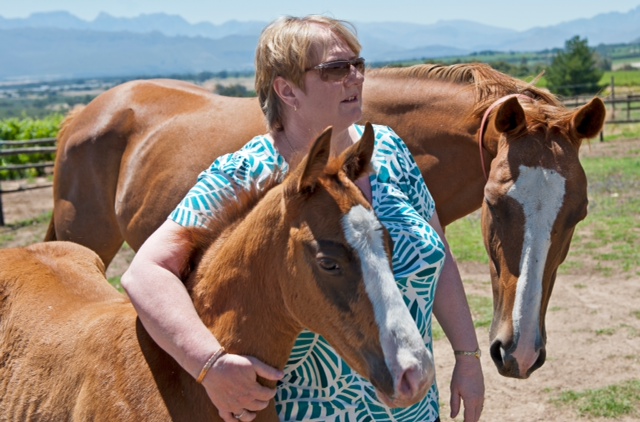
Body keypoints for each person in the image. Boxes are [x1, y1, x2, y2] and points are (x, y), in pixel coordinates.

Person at [122, 14, 484, 422]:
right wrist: (209, 364)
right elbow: (145, 272)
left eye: (357, 65)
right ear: (287, 89)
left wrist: (467, 356)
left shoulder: (386, 150)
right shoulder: (245, 173)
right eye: (335, 69)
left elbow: (441, 258)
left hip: (413, 406)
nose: (355, 78)